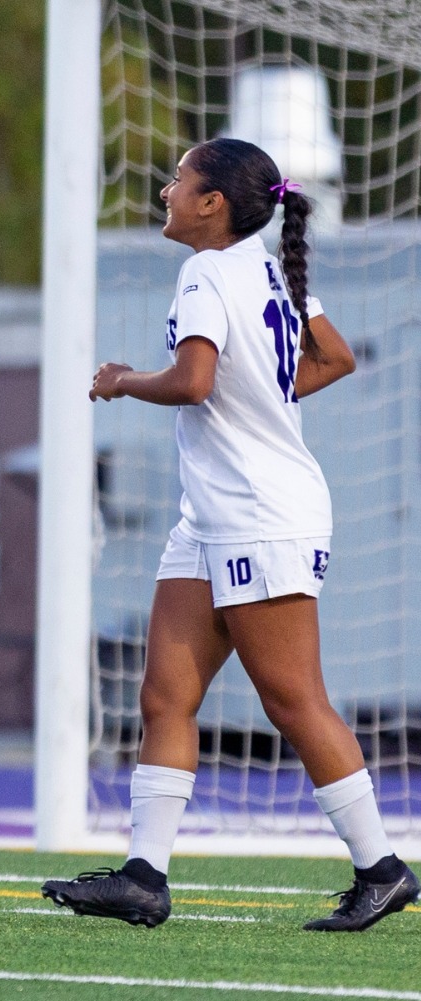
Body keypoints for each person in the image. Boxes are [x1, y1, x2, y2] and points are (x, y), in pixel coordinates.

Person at [45, 139, 415, 931]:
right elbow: (336, 358)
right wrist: (270, 398)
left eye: (179, 179)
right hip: (210, 518)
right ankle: (145, 877)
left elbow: (193, 381)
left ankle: (382, 869)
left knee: (293, 700)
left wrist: (120, 381)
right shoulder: (267, 268)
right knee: (164, 697)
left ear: (212, 203)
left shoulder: (206, 271)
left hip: (259, 514)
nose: (166, 189)